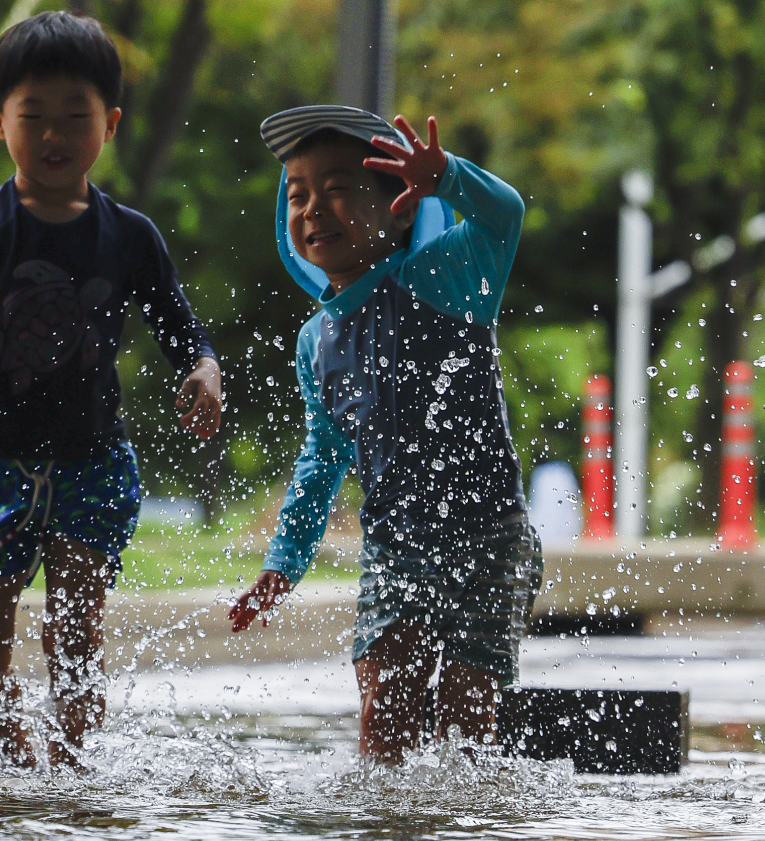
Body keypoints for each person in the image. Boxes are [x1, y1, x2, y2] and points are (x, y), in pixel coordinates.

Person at [0, 12, 221, 769]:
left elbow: (180, 327)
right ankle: (25, 765)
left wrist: (204, 368)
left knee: (74, 638)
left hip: (91, 469)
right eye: (34, 116)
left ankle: (71, 774)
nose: (54, 135)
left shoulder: (130, 237)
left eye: (75, 116)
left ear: (111, 124)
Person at [229, 105, 541, 763]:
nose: (314, 208)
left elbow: (505, 215)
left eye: (339, 188)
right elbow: (325, 455)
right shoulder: (315, 341)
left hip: (487, 537)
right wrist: (283, 563)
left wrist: (448, 176)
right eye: (298, 195)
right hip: (395, 546)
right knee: (383, 715)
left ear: (400, 207)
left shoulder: (441, 277)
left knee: (464, 724)